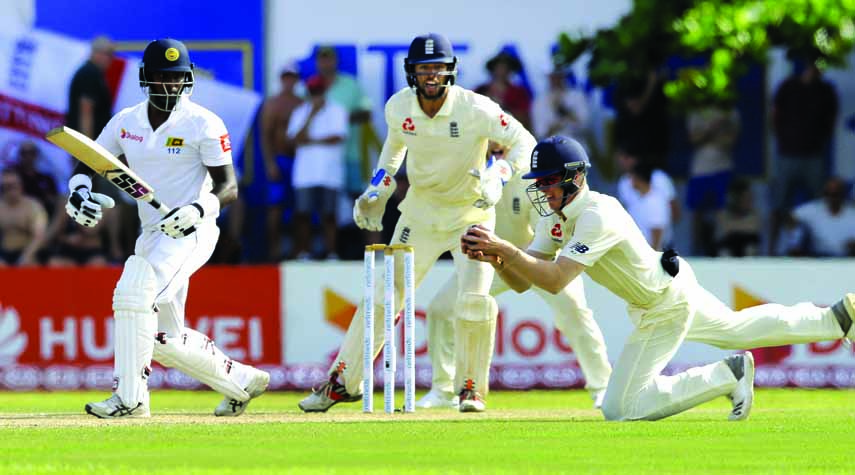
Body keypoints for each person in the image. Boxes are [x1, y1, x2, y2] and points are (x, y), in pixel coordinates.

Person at [461, 135, 854, 421]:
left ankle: (724, 374)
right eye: (539, 182)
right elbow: (524, 281)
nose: (542, 190)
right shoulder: (555, 217)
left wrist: (505, 249)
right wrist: (496, 256)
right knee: (738, 328)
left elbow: (556, 280)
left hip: (663, 304)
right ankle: (837, 318)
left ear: (575, 177)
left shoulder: (598, 214)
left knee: (620, 409)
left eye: (548, 181)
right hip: (667, 287)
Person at [298, 33, 537, 413]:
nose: (432, 76)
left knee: (474, 301)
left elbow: (524, 141)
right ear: (412, 71)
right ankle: (344, 382)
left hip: (470, 214)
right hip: (420, 215)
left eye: (438, 69)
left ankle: (470, 388)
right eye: (425, 69)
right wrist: (376, 189)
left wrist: (500, 173)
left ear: (450, 71)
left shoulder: (475, 108)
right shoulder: (399, 107)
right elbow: (392, 153)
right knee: (381, 297)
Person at [65, 38, 269, 419]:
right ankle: (241, 380)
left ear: (187, 80)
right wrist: (78, 192)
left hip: (193, 231)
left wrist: (198, 208)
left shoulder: (203, 123)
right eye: (160, 77)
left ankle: (131, 398)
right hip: (153, 232)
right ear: (146, 78)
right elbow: (88, 163)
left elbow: (229, 187)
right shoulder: (127, 122)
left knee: (132, 294)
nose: (168, 86)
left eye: (175, 79)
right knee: (161, 339)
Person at [418, 142, 612, 410]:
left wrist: (514, 255)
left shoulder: (529, 179)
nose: (497, 152)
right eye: (491, 147)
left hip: (539, 258)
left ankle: (602, 387)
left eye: (502, 148)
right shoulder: (467, 180)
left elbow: (545, 234)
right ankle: (443, 390)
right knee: (441, 309)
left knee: (575, 311)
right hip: (492, 261)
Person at [770, 59, 838, 254]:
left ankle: (819, 247)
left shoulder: (826, 90)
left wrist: (821, 142)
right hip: (787, 153)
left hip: (813, 154)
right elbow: (775, 114)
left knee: (820, 204)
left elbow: (831, 120)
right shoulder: (788, 86)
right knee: (779, 204)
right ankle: (771, 249)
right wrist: (783, 140)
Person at [286, 75, 348, 260]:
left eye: (318, 91)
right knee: (303, 214)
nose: (316, 95)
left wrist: (311, 140)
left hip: (330, 172)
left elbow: (338, 137)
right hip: (305, 173)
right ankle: (304, 252)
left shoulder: (338, 110)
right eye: (312, 92)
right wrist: (311, 115)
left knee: (329, 214)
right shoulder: (300, 112)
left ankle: (331, 252)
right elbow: (295, 139)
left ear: (324, 92)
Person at [259, 61, 303, 261]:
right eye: (286, 77)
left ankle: (296, 250)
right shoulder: (273, 104)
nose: (289, 81)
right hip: (280, 159)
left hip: (299, 162)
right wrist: (270, 163)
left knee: (298, 208)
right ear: (281, 79)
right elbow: (266, 135)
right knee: (275, 207)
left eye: (292, 78)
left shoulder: (301, 103)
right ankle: (274, 250)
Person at [686, 105, 741, 256]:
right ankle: (695, 251)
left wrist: (720, 128)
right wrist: (712, 127)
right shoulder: (697, 111)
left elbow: (730, 140)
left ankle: (722, 248)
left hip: (723, 167)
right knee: (697, 212)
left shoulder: (730, 111)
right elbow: (693, 139)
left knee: (722, 210)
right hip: (700, 169)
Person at [792, 177, 855, 257]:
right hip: (819, 259)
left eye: (835, 194)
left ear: (843, 194)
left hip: (847, 260)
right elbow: (791, 217)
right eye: (827, 194)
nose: (831, 198)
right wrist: (795, 238)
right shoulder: (814, 208)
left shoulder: (852, 213)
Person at [0, 168, 47, 266]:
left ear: (21, 185)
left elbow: (39, 237)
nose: (10, 190)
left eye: (13, 186)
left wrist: (25, 257)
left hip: (27, 252)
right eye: (6, 187)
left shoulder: (33, 206)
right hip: (4, 253)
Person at [475, 50, 532, 131]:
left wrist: (502, 108)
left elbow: (525, 118)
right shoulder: (480, 90)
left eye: (506, 68)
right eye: (499, 67)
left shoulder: (519, 92)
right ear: (492, 69)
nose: (502, 71)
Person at [626, 163, 672, 251]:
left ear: (638, 178)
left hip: (649, 255)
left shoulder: (655, 201)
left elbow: (657, 230)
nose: (629, 181)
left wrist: (652, 255)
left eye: (631, 177)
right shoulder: (639, 199)